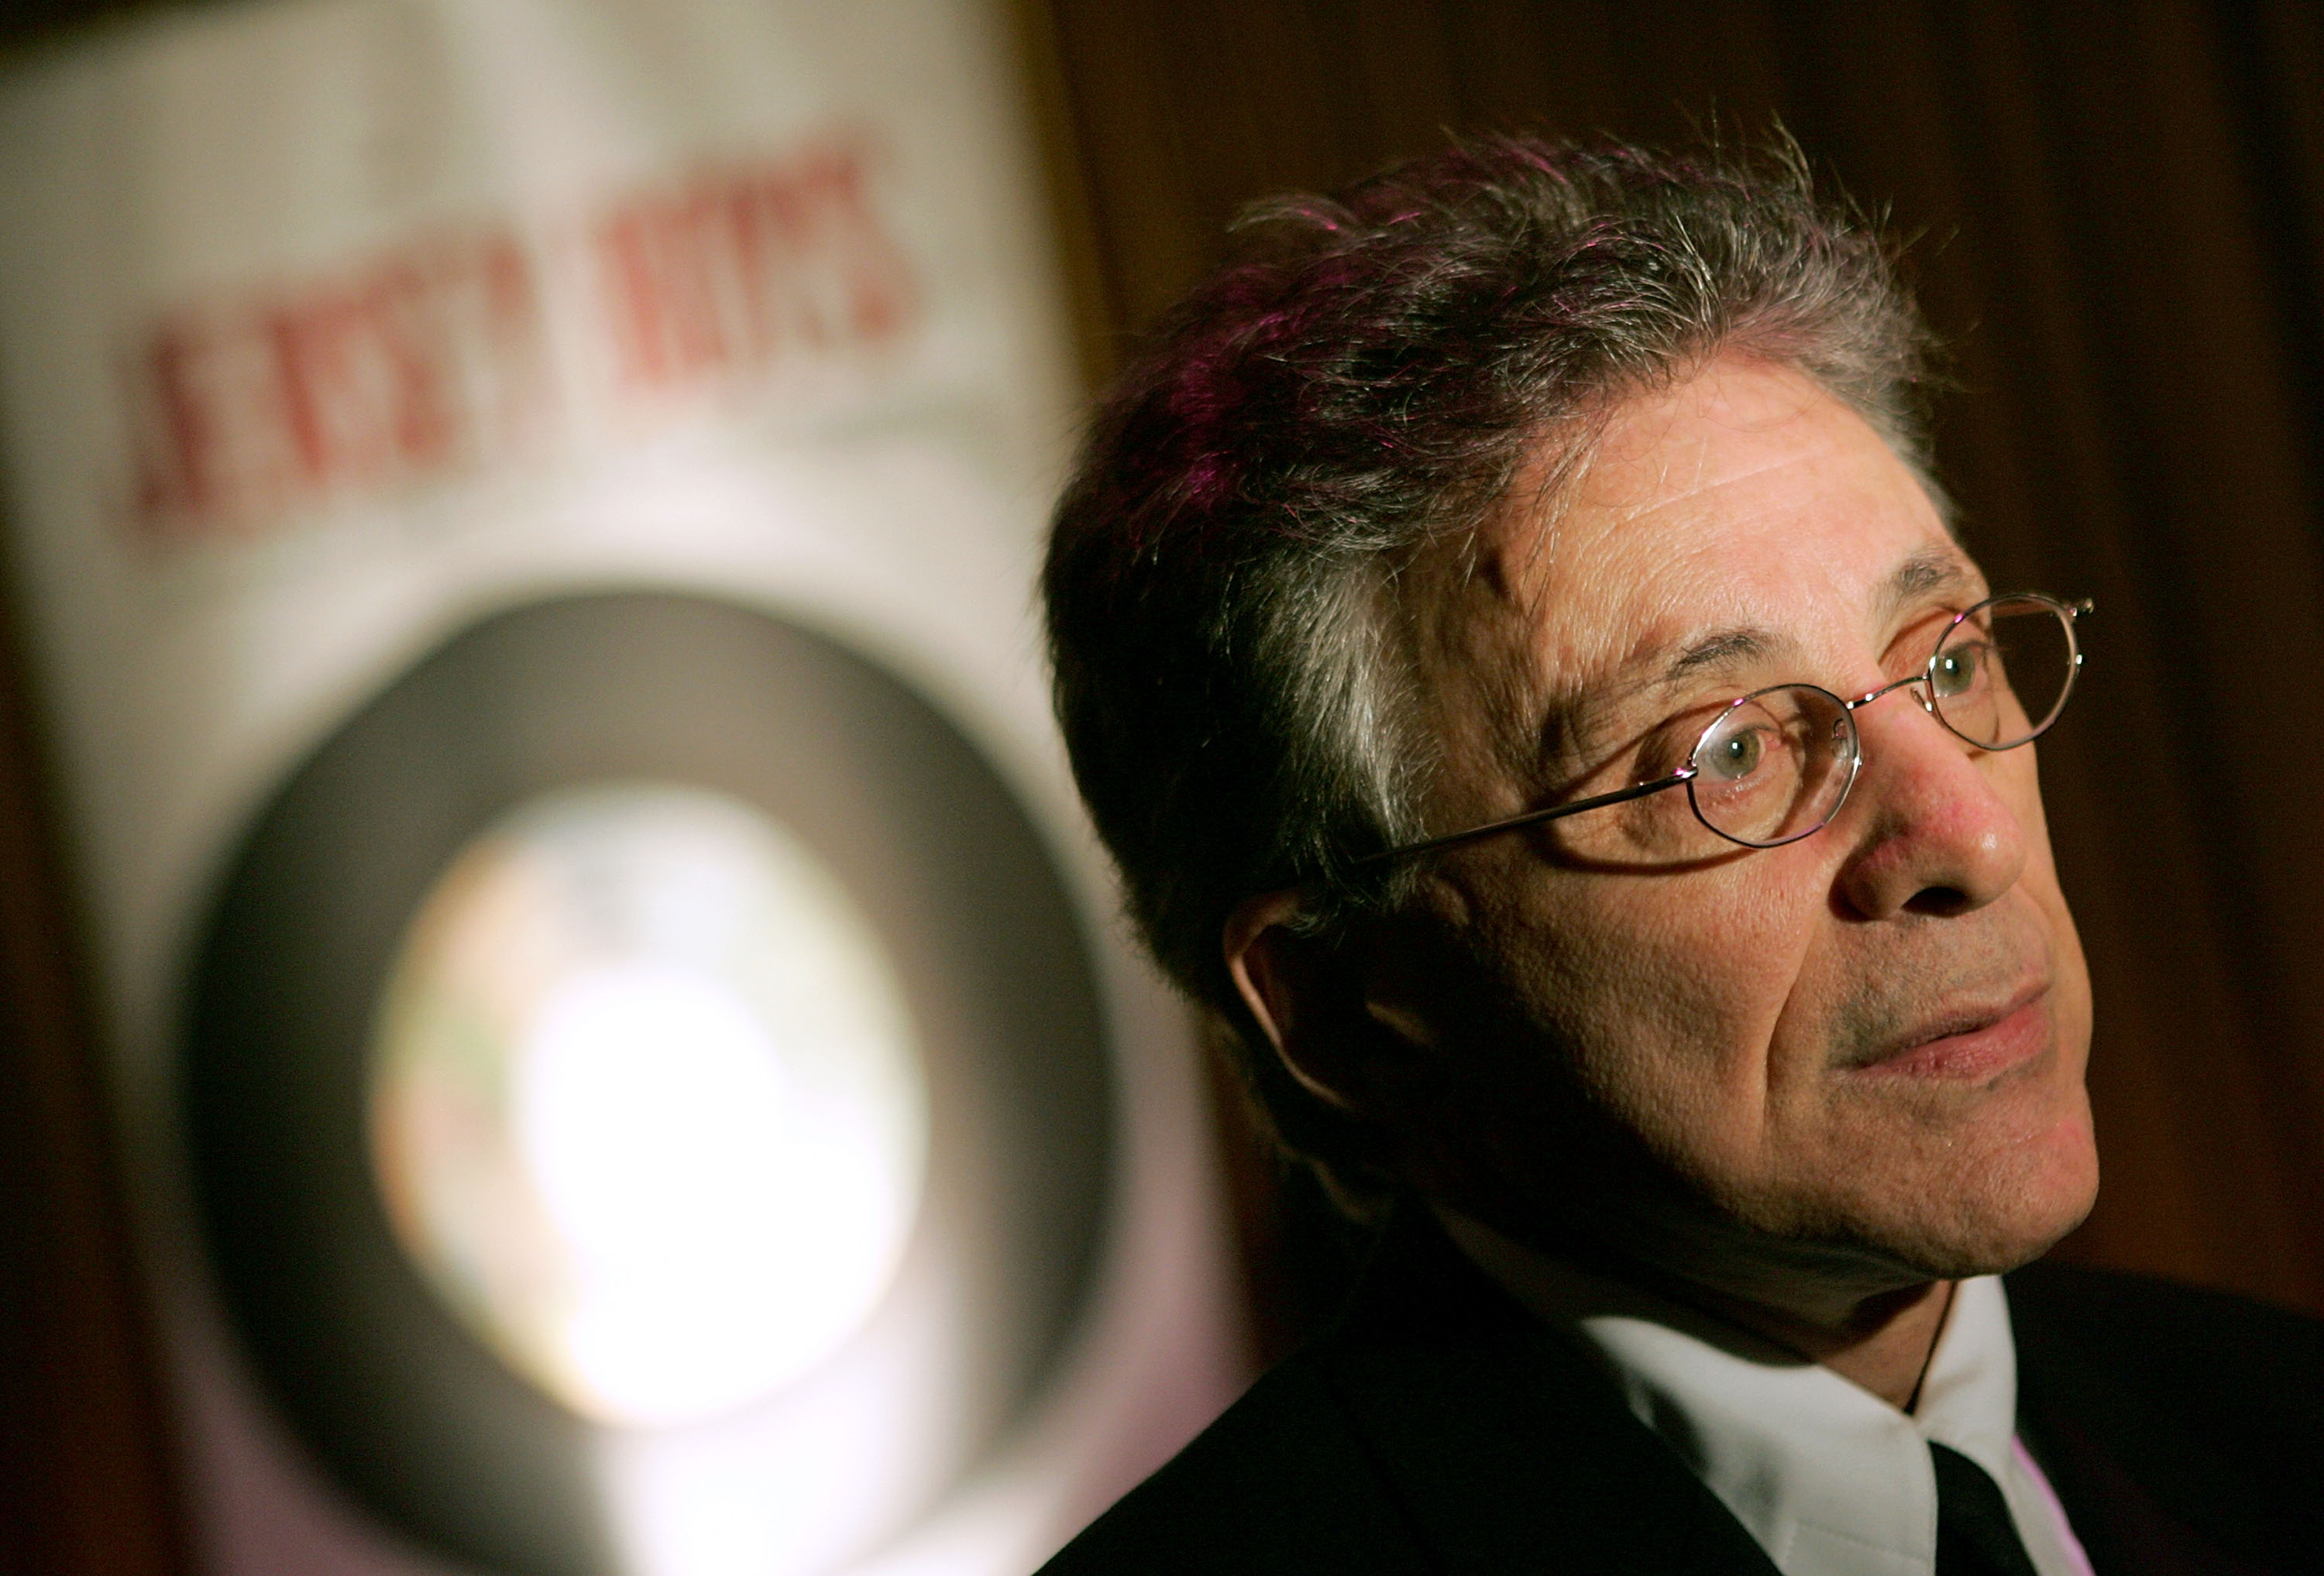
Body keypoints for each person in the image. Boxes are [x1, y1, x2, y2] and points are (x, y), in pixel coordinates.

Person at [1035, 136, 2324, 1576]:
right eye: (1724, 755)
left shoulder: (2290, 1424)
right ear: (1346, 1001)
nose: (1963, 833)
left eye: (1950, 661)